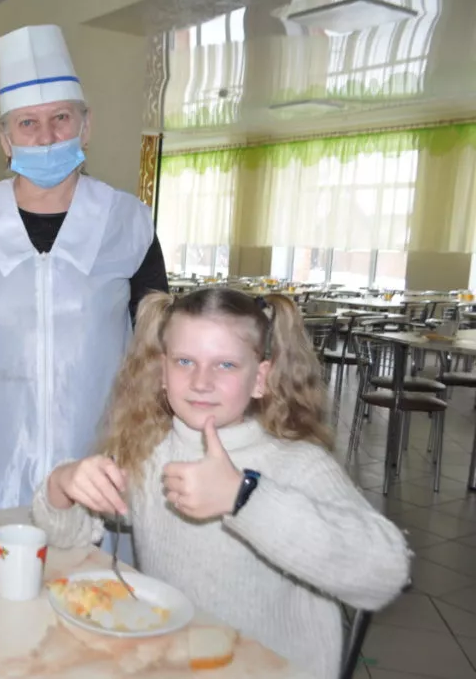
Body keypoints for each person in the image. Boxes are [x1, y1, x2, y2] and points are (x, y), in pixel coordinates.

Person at [33, 288, 410, 679]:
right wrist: (63, 486)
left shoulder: (298, 464)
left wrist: (243, 497)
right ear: (162, 372)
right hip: (175, 662)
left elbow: (385, 572)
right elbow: (65, 539)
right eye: (185, 361)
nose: (201, 381)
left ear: (260, 378)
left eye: (226, 365)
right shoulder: (149, 451)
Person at [0, 25, 169, 515]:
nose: (46, 136)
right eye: (27, 123)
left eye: (61, 118)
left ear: (85, 127)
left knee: (89, 556)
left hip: (99, 441)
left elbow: (158, 339)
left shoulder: (127, 223)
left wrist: (158, 432)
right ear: (5, 139)